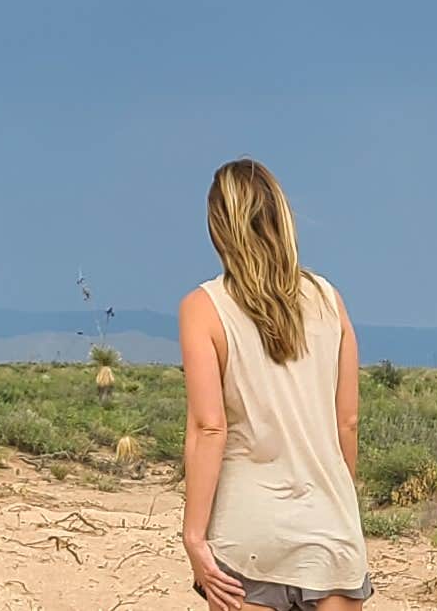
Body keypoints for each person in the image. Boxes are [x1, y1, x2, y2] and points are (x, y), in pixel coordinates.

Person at [179, 159, 369, 611]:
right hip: (330, 529)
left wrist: (193, 536)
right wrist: (338, 505)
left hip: (248, 533)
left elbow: (209, 428)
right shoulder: (328, 298)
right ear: (281, 216)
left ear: (219, 227)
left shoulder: (203, 308)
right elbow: (348, 422)